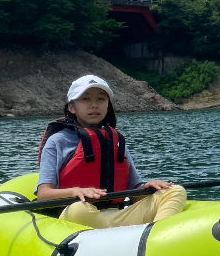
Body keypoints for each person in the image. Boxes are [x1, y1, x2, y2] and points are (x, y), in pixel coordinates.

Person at [36, 74, 187, 228]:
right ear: (72, 107)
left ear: (108, 105)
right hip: (79, 216)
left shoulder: (116, 142)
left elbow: (134, 192)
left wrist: (148, 187)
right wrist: (75, 191)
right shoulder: (58, 141)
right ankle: (130, 238)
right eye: (86, 99)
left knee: (175, 190)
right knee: (77, 209)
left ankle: (155, 237)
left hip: (116, 216)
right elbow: (43, 195)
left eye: (101, 99)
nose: (94, 105)